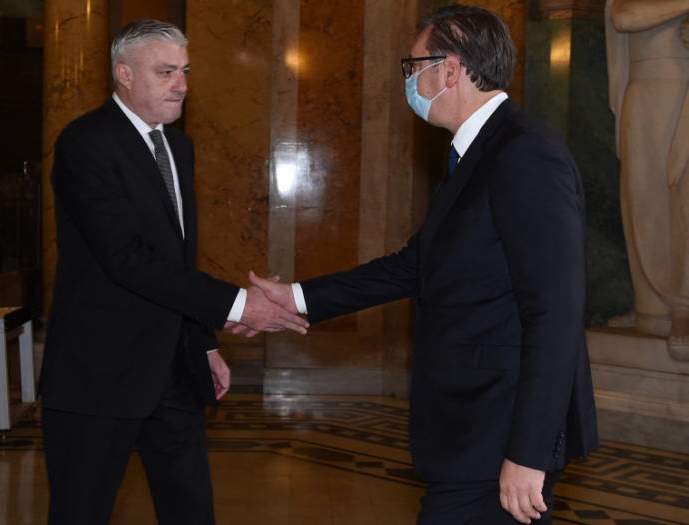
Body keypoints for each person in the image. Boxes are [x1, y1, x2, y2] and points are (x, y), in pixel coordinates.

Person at [245, 6, 599, 524]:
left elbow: (556, 311)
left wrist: (529, 453)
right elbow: (416, 265)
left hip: (499, 431)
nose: (408, 80)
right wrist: (296, 297)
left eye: (413, 67)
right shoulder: (478, 152)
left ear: (450, 70)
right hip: (473, 430)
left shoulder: (523, 153)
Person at [40, 19, 309, 525]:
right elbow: (125, 258)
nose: (181, 85)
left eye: (184, 71)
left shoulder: (178, 146)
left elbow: (178, 261)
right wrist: (237, 305)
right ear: (124, 74)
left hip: (173, 368)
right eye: (166, 72)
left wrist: (202, 343)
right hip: (101, 371)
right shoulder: (86, 142)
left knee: (191, 510)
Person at [605, 0, 689, 359]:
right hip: (641, 92)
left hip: (682, 90)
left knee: (682, 203)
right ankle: (650, 306)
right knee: (641, 202)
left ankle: (683, 307)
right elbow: (625, 16)